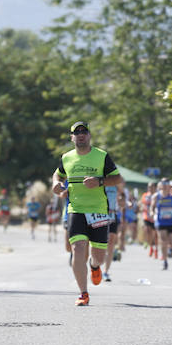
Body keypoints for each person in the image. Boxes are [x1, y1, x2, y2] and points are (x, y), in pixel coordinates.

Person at [51, 121, 123, 306]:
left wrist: (99, 181)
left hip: (98, 210)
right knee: (77, 249)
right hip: (76, 209)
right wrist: (55, 184)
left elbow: (117, 178)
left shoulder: (101, 156)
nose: (81, 134)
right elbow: (58, 174)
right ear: (72, 137)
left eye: (84, 131)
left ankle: (95, 266)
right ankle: (83, 293)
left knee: (98, 255)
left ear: (89, 135)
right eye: (77, 132)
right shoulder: (67, 158)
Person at [152, 178, 172, 269]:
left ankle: (171, 249)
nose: (164, 185)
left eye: (166, 183)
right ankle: (165, 260)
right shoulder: (156, 196)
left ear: (169, 185)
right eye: (163, 183)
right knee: (163, 240)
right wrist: (151, 212)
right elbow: (152, 207)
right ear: (160, 185)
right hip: (161, 221)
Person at [102, 179, 124, 282]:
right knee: (99, 241)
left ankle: (106, 271)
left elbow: (122, 196)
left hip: (112, 214)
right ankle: (95, 263)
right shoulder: (100, 181)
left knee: (111, 243)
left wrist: (123, 201)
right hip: (100, 214)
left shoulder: (116, 183)